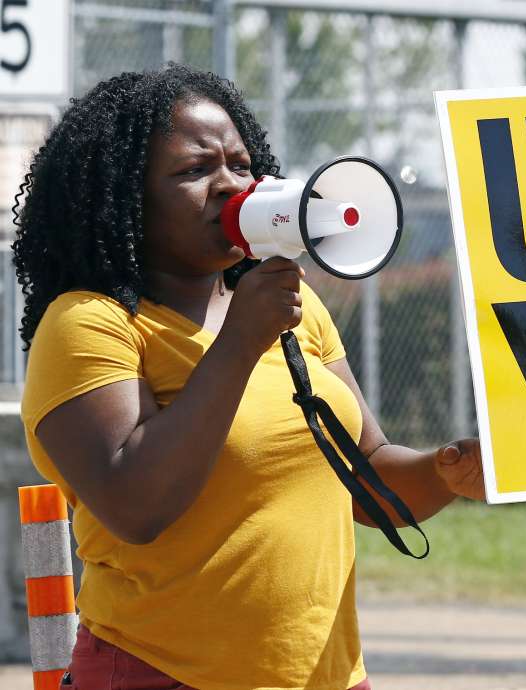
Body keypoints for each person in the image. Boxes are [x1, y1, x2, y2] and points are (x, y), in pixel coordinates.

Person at [12, 63, 484, 690]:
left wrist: (445, 470)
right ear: (126, 197)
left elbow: (366, 474)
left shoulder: (293, 310)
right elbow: (135, 506)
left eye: (240, 164)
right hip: (164, 675)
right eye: (194, 170)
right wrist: (239, 343)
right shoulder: (89, 326)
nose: (230, 185)